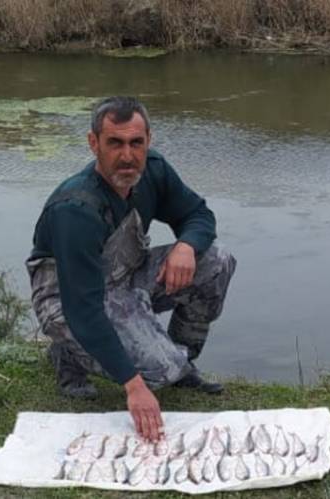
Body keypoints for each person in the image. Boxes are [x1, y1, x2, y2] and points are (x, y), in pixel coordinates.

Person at [26, 96, 236, 442]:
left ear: (148, 141)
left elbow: (199, 214)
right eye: (115, 143)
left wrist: (186, 245)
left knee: (216, 260)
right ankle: (68, 354)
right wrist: (133, 385)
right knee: (156, 371)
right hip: (68, 299)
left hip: (126, 274)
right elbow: (84, 310)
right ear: (94, 144)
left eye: (135, 143)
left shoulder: (153, 169)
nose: (127, 155)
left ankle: (182, 365)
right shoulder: (75, 209)